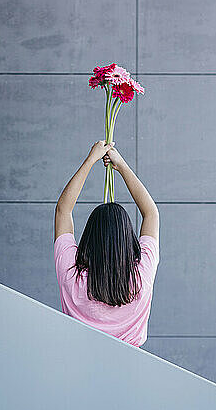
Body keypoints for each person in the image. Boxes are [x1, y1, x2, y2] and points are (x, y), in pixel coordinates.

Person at [54, 140, 159, 347]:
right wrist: (122, 166)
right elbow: (151, 214)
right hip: (130, 370)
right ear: (127, 239)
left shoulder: (71, 274)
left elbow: (63, 211)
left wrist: (90, 160)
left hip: (78, 366)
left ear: (90, 237)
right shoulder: (141, 276)